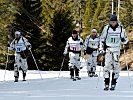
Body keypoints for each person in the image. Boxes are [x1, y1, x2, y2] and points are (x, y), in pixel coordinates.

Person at [99, 14, 128, 90]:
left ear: (116, 22)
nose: (112, 23)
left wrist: (124, 40)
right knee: (107, 66)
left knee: (116, 67)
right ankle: (106, 82)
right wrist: (101, 48)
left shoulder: (121, 29)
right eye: (111, 22)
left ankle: (114, 82)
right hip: (108, 49)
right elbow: (102, 39)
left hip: (116, 49)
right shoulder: (107, 28)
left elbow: (125, 39)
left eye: (113, 22)